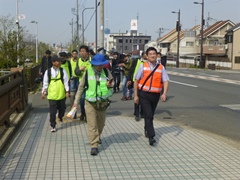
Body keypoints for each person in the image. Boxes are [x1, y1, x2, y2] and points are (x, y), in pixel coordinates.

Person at [73, 54, 113, 155]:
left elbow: (112, 84)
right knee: (92, 124)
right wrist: (76, 102)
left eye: (101, 64)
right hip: (90, 102)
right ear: (93, 64)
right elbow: (81, 88)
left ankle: (97, 136)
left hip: (103, 103)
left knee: (101, 123)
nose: (99, 66)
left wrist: (110, 85)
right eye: (97, 64)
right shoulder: (87, 72)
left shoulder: (106, 72)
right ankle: (94, 145)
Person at [134, 47, 169, 146]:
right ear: (147, 56)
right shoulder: (143, 66)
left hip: (155, 95)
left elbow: (165, 81)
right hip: (144, 94)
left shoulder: (161, 67)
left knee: (151, 114)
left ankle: (147, 128)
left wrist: (164, 93)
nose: (153, 55)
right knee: (148, 114)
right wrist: (136, 95)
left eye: (154, 54)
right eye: (150, 54)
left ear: (157, 55)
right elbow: (136, 80)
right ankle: (151, 136)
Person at [41, 55, 69, 132]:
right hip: (52, 94)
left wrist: (67, 91)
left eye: (59, 61)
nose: (59, 62)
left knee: (62, 109)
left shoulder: (62, 71)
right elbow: (45, 83)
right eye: (58, 61)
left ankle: (60, 117)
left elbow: (66, 81)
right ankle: (53, 125)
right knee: (52, 111)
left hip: (61, 94)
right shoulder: (48, 71)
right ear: (53, 62)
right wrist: (43, 92)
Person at [127, 52, 147, 121]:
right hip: (136, 82)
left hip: (145, 84)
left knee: (144, 99)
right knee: (137, 98)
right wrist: (129, 79)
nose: (146, 56)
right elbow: (131, 70)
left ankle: (142, 112)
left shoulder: (149, 63)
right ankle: (136, 113)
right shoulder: (136, 61)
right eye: (145, 55)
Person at [75, 45, 92, 121]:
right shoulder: (78, 61)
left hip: (90, 83)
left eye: (83, 51)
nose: (82, 53)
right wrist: (80, 69)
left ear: (87, 53)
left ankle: (88, 115)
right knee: (82, 100)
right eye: (81, 51)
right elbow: (76, 72)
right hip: (81, 83)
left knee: (89, 100)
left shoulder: (91, 60)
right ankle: (83, 113)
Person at [69, 50, 80, 119]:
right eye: (73, 54)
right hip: (72, 78)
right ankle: (72, 113)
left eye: (76, 54)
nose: (74, 55)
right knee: (72, 96)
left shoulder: (79, 60)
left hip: (79, 78)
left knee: (78, 95)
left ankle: (76, 113)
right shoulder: (70, 61)